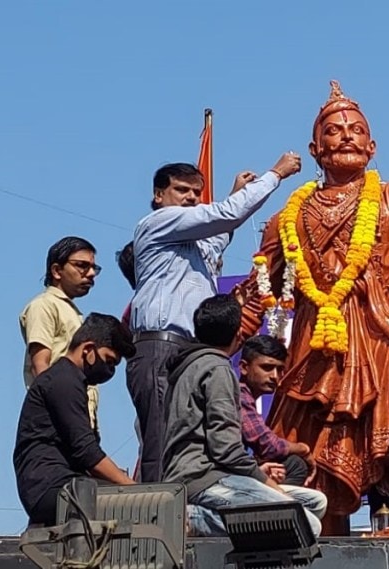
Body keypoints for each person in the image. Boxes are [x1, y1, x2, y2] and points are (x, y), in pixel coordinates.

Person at [232, 81, 389, 533]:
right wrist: (213, 348)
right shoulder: (286, 218)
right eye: (333, 130)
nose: (345, 135)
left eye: (355, 129)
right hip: (319, 354)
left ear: (372, 145)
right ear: (314, 148)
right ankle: (324, 535)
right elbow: (256, 294)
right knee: (315, 490)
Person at [128, 154, 302, 483]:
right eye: (182, 190)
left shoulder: (190, 240)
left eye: (196, 193)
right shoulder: (158, 222)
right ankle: (157, 518)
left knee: (188, 437)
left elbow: (218, 238)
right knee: (160, 440)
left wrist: (237, 193)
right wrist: (276, 174)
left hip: (188, 352)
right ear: (158, 196)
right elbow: (225, 217)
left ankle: (183, 516)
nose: (191, 198)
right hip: (160, 345)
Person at [162, 295, 326, 537]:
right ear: (238, 335)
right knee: (306, 524)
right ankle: (194, 519)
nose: (274, 376)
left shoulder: (190, 365)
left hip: (213, 476)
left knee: (315, 503)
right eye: (267, 368)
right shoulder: (217, 368)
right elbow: (226, 451)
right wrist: (270, 485)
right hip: (201, 480)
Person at [13, 314, 136, 526]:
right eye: (109, 361)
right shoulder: (63, 381)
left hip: (58, 484)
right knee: (133, 506)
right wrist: (131, 487)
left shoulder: (70, 381)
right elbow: (86, 452)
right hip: (50, 486)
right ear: (88, 349)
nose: (110, 371)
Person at [19, 237, 102, 431]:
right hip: (58, 421)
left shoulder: (71, 312)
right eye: (82, 266)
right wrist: (63, 414)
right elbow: (40, 366)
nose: (90, 274)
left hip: (76, 420)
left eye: (93, 268)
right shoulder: (44, 305)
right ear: (56, 271)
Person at [239, 335, 314, 486]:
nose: (275, 376)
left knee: (292, 464)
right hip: (215, 475)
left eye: (280, 370)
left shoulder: (246, 396)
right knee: (297, 466)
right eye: (267, 368)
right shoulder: (239, 395)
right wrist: (303, 449)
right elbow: (268, 445)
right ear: (244, 367)